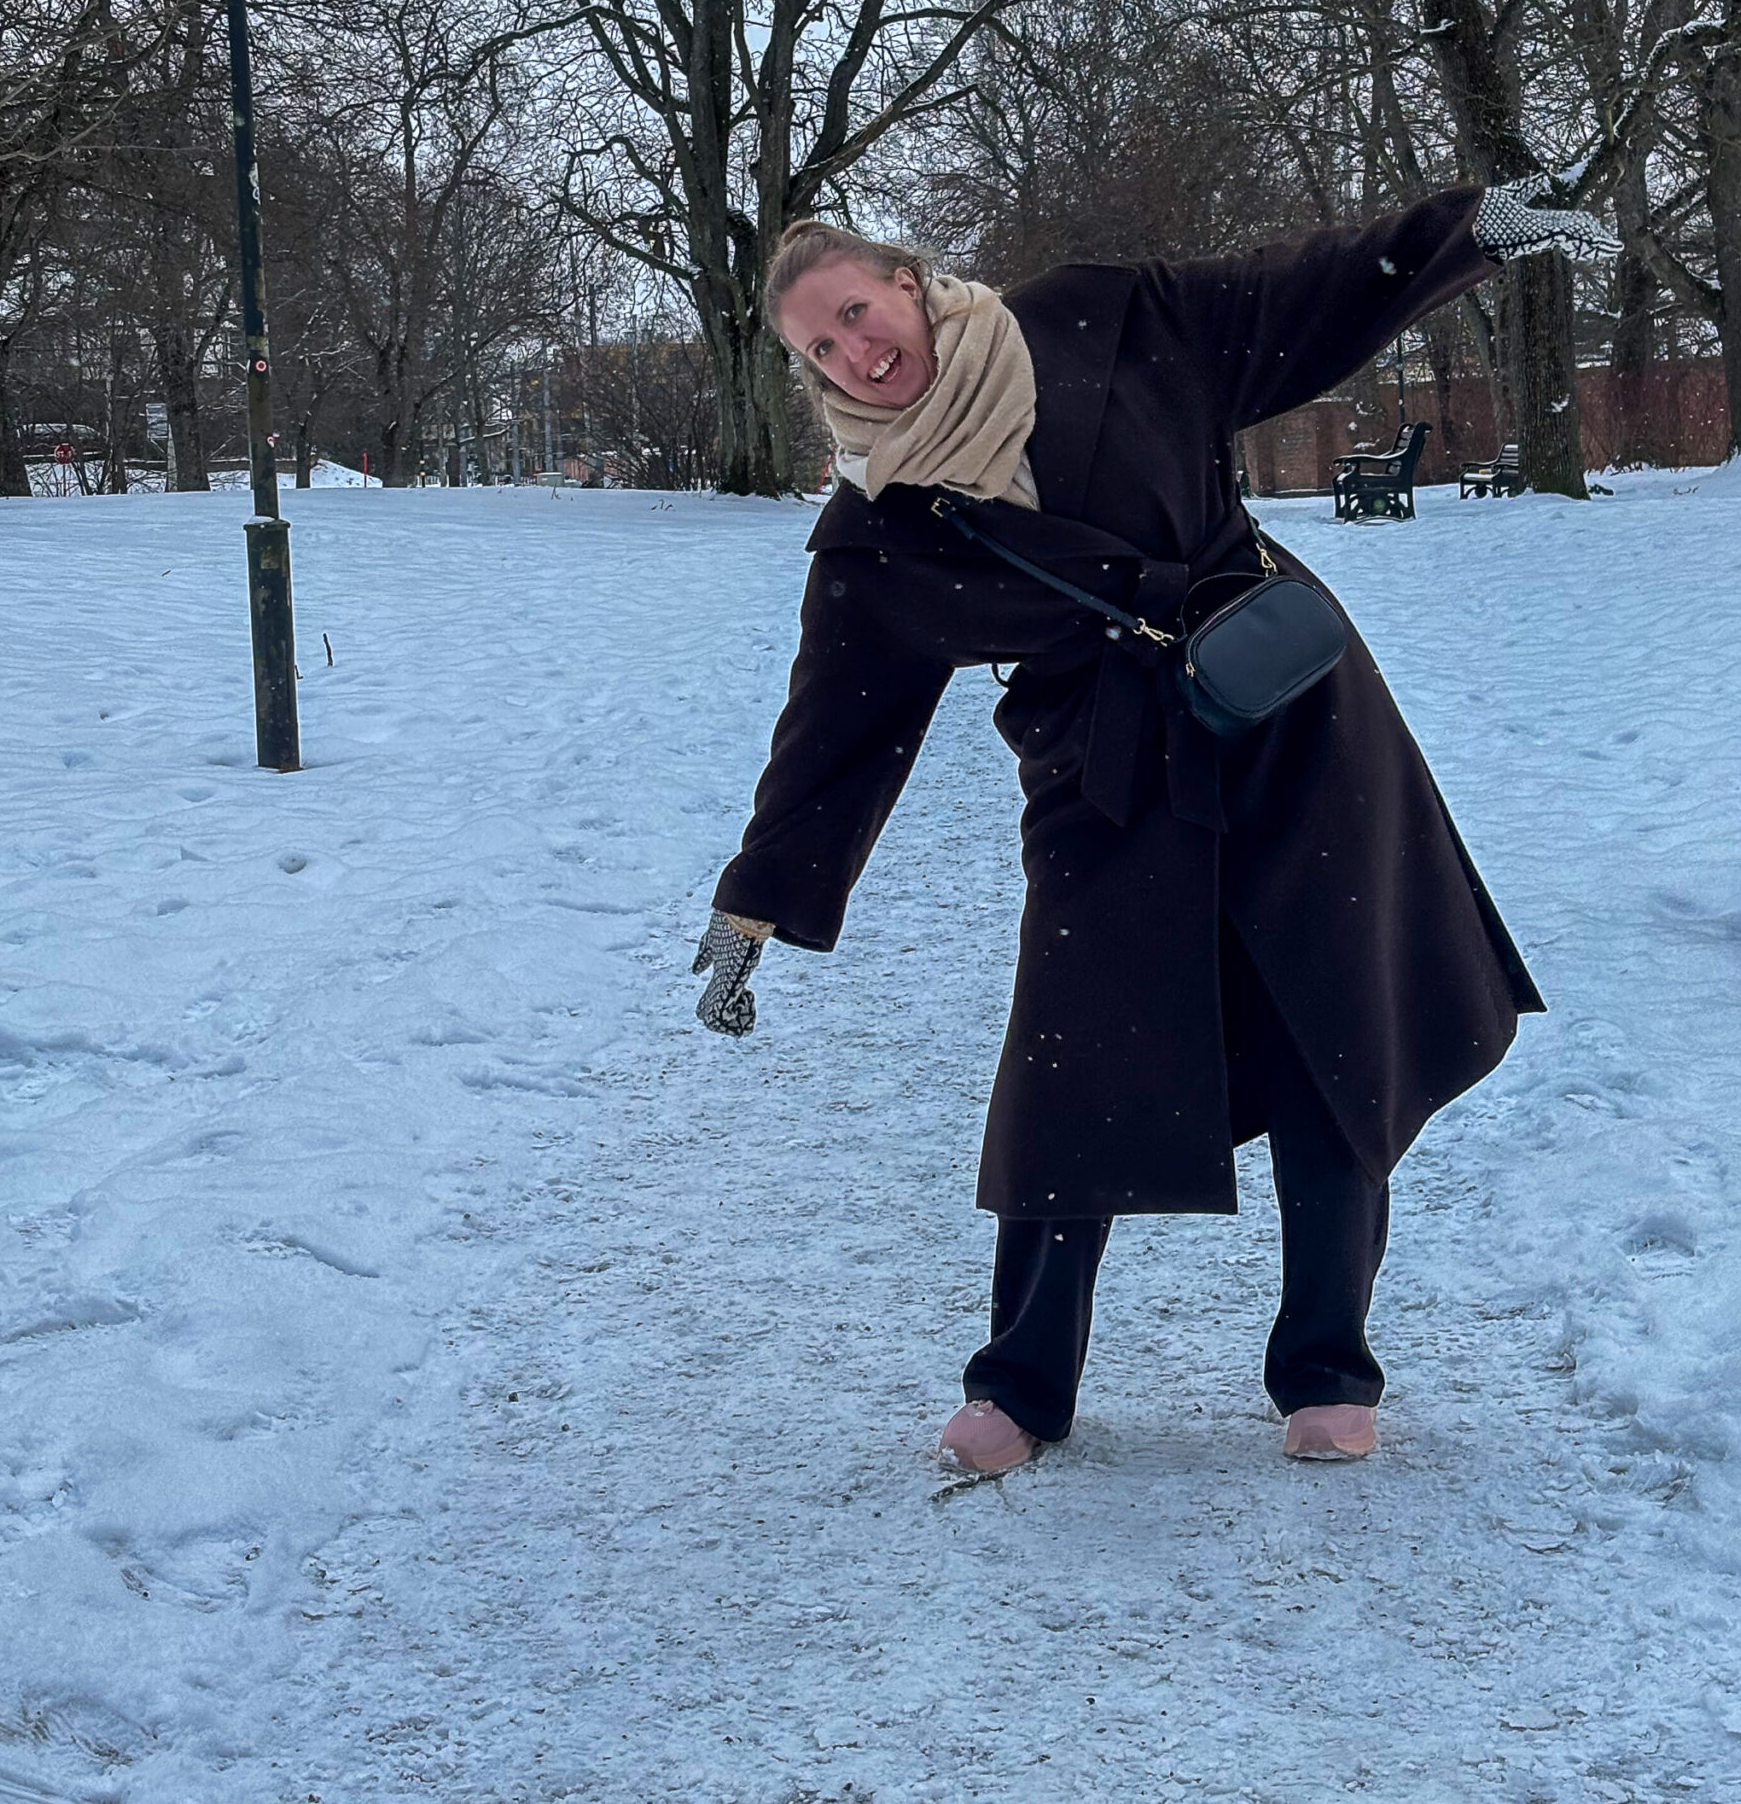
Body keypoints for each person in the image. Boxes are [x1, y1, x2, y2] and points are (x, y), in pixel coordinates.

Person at [693, 180, 1617, 1473]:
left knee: (1332, 1034)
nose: (854, 352)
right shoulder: (878, 532)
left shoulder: (1108, 319)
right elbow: (836, 730)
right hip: (1105, 772)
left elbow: (1306, 293)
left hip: (1292, 712)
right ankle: (1021, 1384)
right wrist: (756, 904)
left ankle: (1328, 1368)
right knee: (1069, 1070)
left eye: (855, 312)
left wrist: (1468, 233)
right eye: (819, 348)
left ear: (906, 282)